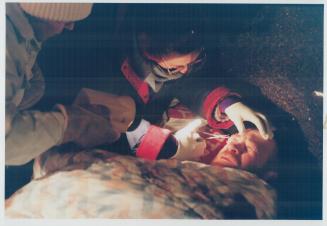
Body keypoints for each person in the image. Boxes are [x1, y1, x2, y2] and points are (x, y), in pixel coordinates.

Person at [74, 6, 273, 162]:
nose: (186, 71)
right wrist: (168, 148)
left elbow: (191, 82)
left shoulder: (187, 29)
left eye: (194, 61)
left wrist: (226, 104)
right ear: (145, 44)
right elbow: (110, 127)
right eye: (174, 68)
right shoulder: (100, 61)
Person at [5, 3, 135, 166]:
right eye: (63, 20)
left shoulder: (23, 31)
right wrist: (72, 124)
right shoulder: (6, 44)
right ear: (42, 10)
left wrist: (32, 83)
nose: (71, 27)